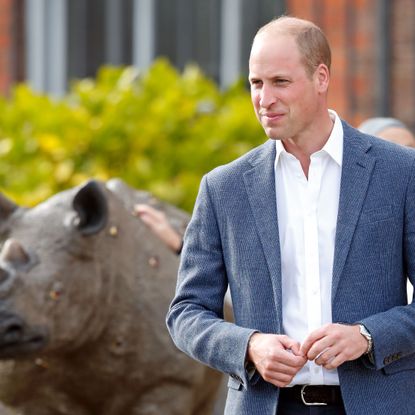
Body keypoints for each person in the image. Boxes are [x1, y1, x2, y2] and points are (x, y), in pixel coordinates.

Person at [166, 16, 415, 415]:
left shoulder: (401, 172)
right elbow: (185, 313)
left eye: (280, 82)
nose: (265, 99)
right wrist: (249, 345)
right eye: (256, 83)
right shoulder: (223, 187)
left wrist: (367, 336)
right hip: (265, 405)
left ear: (321, 78)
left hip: (377, 404)